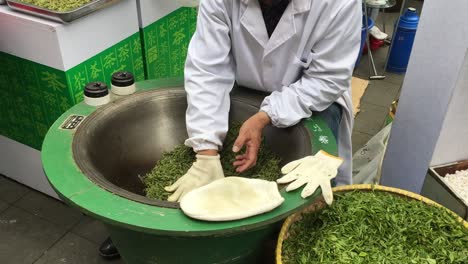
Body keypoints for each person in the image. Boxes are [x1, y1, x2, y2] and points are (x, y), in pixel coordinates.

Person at [99, 0, 361, 259]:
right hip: (243, 86)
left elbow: (326, 79)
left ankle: (290, 235)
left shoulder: (339, 4)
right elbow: (207, 70)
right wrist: (206, 151)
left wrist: (265, 116)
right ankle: (139, 231)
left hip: (311, 97)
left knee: (311, 188)